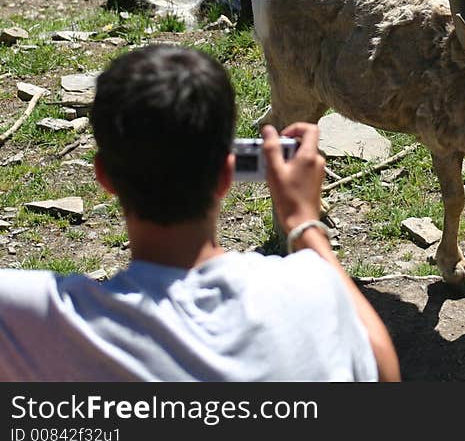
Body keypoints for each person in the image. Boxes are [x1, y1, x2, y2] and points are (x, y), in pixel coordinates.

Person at [0, 44, 400, 382]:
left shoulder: (45, 320)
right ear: (227, 174)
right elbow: (382, 368)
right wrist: (302, 223)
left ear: (104, 177)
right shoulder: (309, 290)